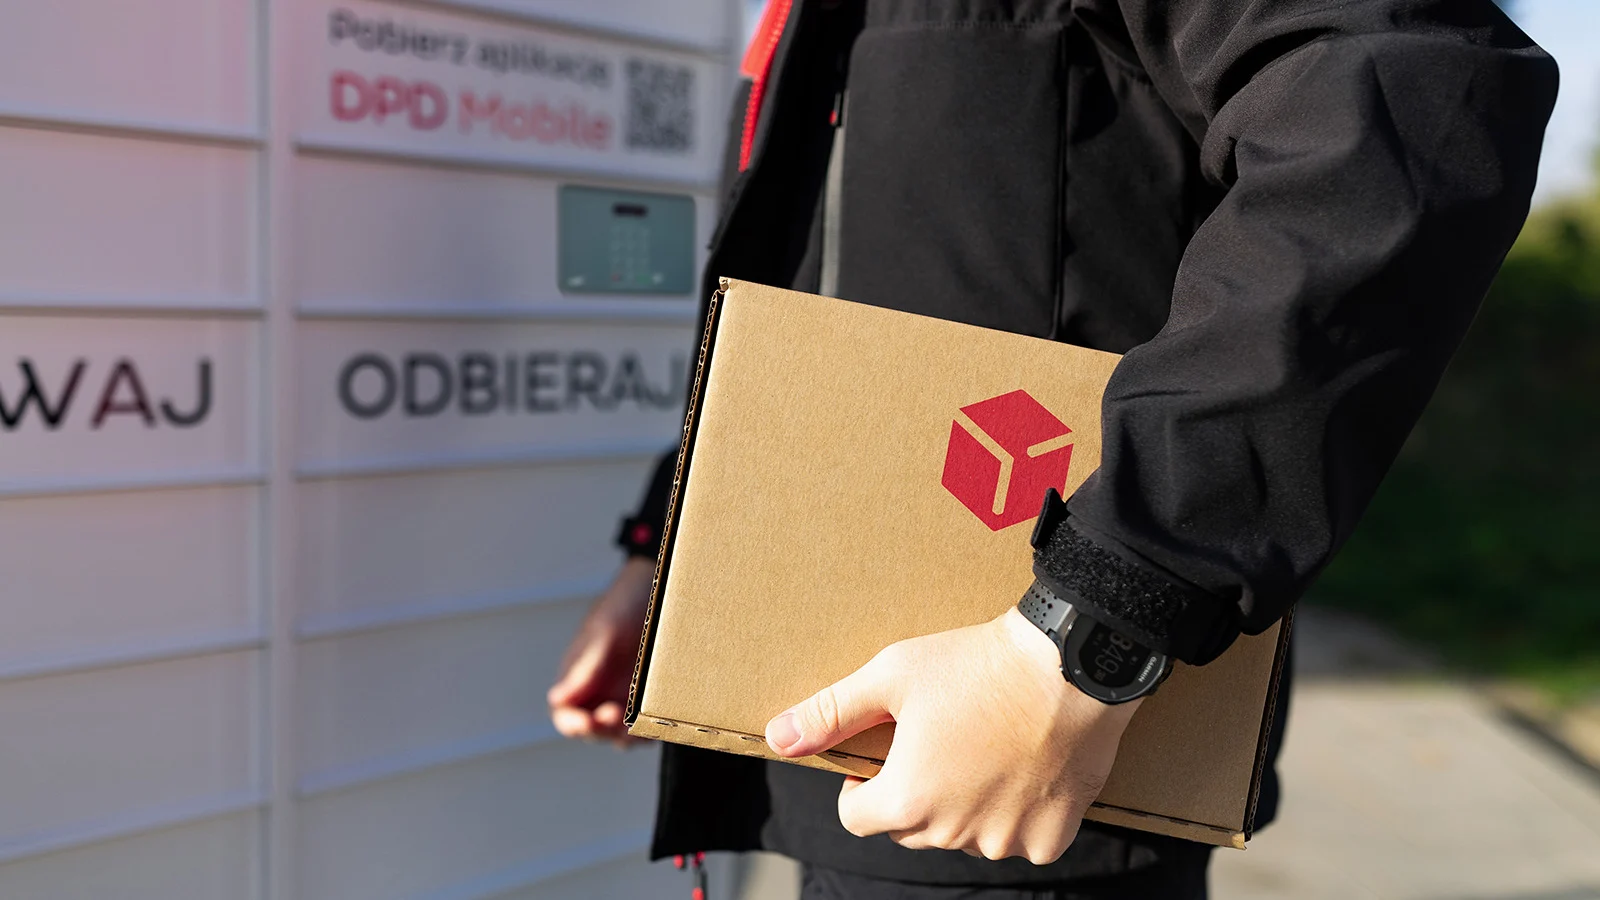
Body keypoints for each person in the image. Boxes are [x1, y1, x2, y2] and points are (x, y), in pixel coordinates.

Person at [549, 0, 1557, 897]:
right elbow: (814, 289)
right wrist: (671, 547)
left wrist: (1091, 629)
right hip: (860, 747)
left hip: (1033, 768)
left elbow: (1406, 94)